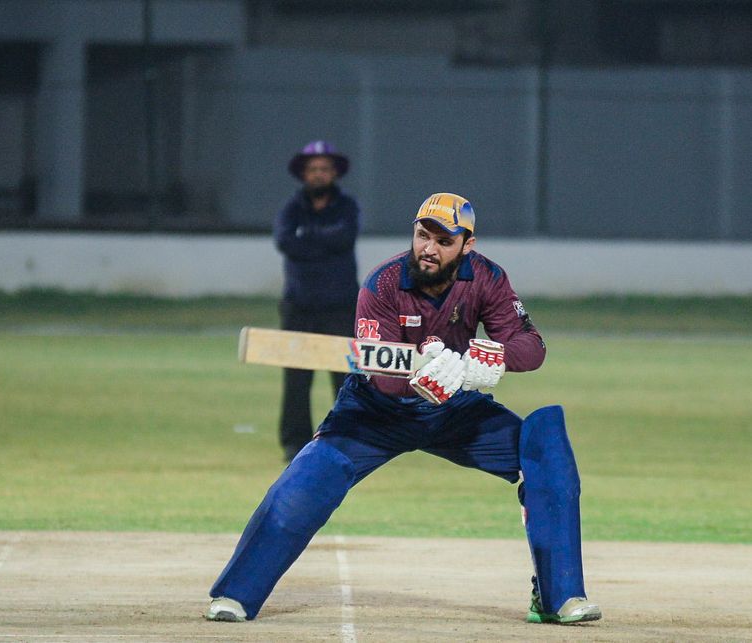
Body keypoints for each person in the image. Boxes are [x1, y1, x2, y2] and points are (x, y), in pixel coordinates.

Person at [207, 193, 601, 625]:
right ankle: (236, 594)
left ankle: (558, 596)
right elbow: (381, 374)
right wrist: (424, 372)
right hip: (374, 412)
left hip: (455, 411)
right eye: (422, 235)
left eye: (443, 241)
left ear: (467, 245)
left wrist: (492, 358)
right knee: (311, 476)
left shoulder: (487, 277)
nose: (429, 248)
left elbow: (532, 346)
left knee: (545, 450)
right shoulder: (382, 284)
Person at [274, 140, 361, 462]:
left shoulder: (347, 207)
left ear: (334, 173)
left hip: (341, 305)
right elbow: (284, 242)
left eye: (324, 169)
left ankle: (347, 437)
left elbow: (345, 238)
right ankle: (294, 442)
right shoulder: (291, 208)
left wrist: (307, 239)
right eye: (313, 169)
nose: (319, 174)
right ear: (303, 174)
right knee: (296, 379)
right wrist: (325, 241)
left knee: (346, 379)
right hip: (299, 306)